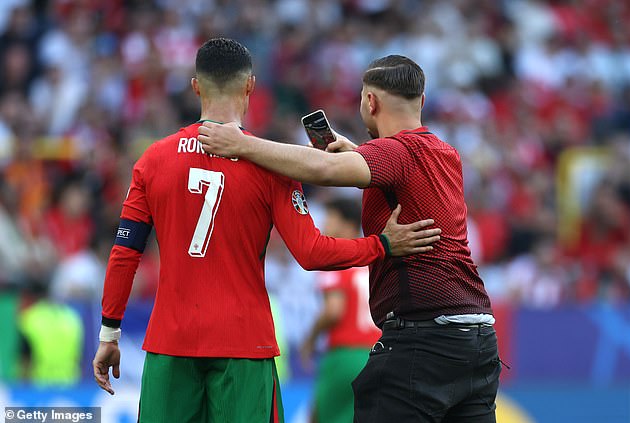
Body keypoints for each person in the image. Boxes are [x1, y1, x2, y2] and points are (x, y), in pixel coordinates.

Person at [92, 40, 441, 423]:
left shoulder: (153, 160)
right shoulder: (272, 164)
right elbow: (313, 253)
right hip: (244, 346)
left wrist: (110, 332)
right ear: (250, 86)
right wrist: (383, 245)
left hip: (170, 345)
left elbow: (125, 251)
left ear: (196, 87)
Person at [197, 54, 501, 423]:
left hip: (424, 340)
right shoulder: (445, 152)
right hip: (479, 340)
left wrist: (242, 145)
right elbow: (404, 175)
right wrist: (358, 154)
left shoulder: (394, 152)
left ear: (369, 102)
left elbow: (324, 169)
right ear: (421, 102)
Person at [300, 197, 381, 423]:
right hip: (378, 355)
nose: (324, 226)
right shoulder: (374, 262)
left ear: (347, 225)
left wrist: (310, 339)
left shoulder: (336, 258)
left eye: (330, 219)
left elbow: (333, 310)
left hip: (345, 355)